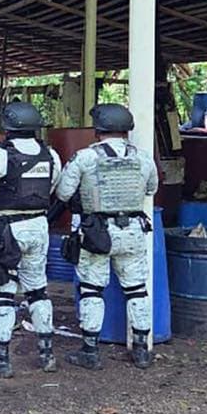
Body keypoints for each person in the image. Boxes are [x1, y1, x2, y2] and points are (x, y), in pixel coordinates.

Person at [56, 103, 160, 370]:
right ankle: (141, 350)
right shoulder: (144, 157)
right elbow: (152, 188)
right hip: (134, 231)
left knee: (92, 289)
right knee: (137, 290)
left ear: (98, 129)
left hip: (97, 233)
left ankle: (90, 351)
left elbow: (64, 193)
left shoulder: (85, 157)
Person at [0, 100, 63, 378]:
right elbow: (53, 187)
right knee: (38, 289)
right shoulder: (51, 155)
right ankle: (47, 353)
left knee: (3, 291)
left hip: (6, 229)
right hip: (38, 226)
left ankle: (1, 358)